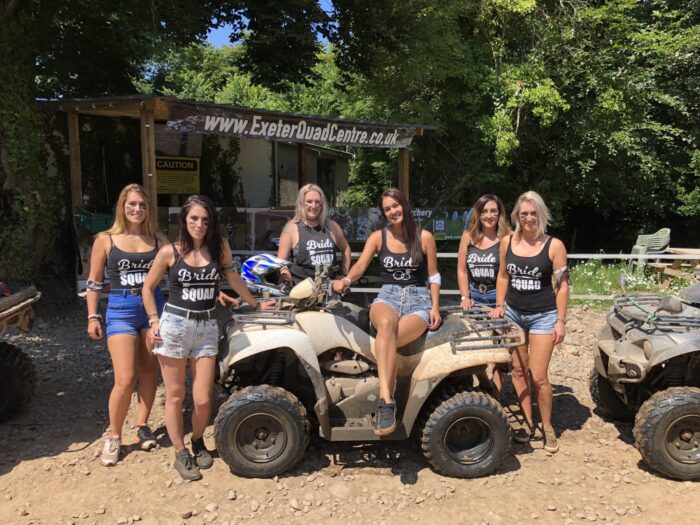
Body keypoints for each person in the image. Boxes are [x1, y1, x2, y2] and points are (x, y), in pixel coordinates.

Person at [142, 195, 274, 481]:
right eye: (194, 219)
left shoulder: (219, 249)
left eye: (204, 219)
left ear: (211, 223)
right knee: (176, 396)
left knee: (203, 399)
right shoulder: (169, 252)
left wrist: (254, 303)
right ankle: (179, 451)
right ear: (184, 220)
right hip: (175, 326)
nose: (199, 224)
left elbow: (234, 279)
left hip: (206, 327)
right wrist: (153, 320)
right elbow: (148, 287)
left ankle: (198, 439)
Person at [332, 188, 442, 436]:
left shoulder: (424, 237)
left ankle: (385, 402)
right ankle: (387, 402)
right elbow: (360, 266)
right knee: (386, 326)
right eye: (387, 209)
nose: (393, 212)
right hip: (388, 296)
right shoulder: (378, 237)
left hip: (417, 300)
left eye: (396, 206)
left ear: (404, 204)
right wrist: (346, 280)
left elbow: (433, 275)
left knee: (388, 341)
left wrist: (435, 306)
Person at [86, 183, 166, 467]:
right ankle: (114, 434)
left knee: (148, 371)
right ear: (122, 206)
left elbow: (184, 267)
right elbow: (94, 281)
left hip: (153, 309)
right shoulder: (106, 239)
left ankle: (142, 425)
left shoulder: (157, 239)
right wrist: (92, 315)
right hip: (120, 309)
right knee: (124, 378)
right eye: (132, 204)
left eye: (142, 205)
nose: (137, 209)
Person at [490, 191, 570, 453]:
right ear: (517, 216)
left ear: (541, 215)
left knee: (538, 376)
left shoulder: (554, 245)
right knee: (516, 370)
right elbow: (502, 276)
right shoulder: (507, 242)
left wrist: (560, 320)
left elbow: (562, 285)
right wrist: (500, 305)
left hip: (543, 316)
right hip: (513, 312)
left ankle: (547, 426)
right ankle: (528, 423)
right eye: (523, 214)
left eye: (533, 213)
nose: (528, 218)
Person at [457, 194, 511, 395]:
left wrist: (500, 304)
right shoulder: (468, 236)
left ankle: (496, 392)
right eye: (484, 211)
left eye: (493, 211)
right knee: (475, 345)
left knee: (499, 347)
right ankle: (484, 382)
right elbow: (462, 269)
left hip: (498, 296)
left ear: (499, 214)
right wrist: (465, 296)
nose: (489, 215)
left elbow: (507, 273)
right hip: (475, 295)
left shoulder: (507, 237)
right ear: (478, 214)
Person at [278, 184, 351, 285]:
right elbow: (281, 262)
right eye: (309, 201)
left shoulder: (331, 225)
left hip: (329, 288)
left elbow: (346, 249)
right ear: (301, 203)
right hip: (300, 289)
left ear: (322, 205)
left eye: (318, 202)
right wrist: (285, 274)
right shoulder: (291, 228)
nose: (314, 206)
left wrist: (344, 274)